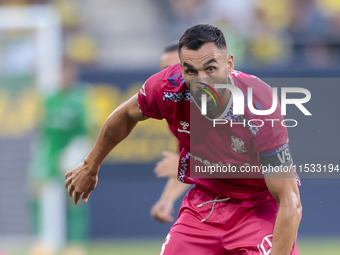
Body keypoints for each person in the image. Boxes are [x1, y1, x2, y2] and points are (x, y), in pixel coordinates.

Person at [65, 25, 302, 254]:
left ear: (229, 64)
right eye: (191, 71)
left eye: (210, 69)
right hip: (205, 205)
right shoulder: (166, 87)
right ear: (181, 69)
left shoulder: (260, 106)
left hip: (258, 207)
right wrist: (90, 166)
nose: (201, 82)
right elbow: (125, 114)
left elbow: (289, 199)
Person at [151, 42, 190, 223]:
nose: (164, 77)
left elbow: (243, 162)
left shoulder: (219, 102)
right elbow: (185, 164)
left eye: (171, 69)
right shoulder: (178, 113)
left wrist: (189, 166)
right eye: (161, 71)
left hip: (262, 200)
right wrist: (166, 200)